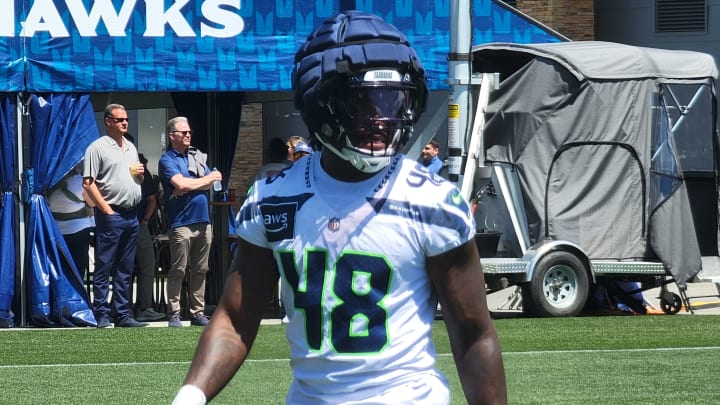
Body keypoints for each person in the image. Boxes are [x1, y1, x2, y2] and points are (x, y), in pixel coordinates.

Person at [173, 10, 506, 405]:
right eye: (365, 102)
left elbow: (473, 332)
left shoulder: (431, 200)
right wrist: (190, 396)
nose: (383, 118)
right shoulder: (273, 198)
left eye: (393, 99)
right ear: (321, 104)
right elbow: (234, 318)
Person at [83, 103, 147, 328]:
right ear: (108, 121)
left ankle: (122, 314)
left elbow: (135, 178)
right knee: (104, 265)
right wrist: (107, 210)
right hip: (112, 213)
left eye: (126, 119)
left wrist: (140, 176)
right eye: (120, 120)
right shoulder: (97, 148)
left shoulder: (129, 146)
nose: (125, 123)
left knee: (125, 267)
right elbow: (88, 184)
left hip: (131, 214)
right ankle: (102, 314)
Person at [158, 116, 221, 328]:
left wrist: (192, 184)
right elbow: (181, 184)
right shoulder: (167, 160)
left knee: (201, 269)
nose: (188, 136)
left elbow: (213, 179)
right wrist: (201, 182)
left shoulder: (197, 157)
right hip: (181, 223)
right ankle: (174, 313)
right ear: (172, 136)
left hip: (203, 221)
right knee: (178, 269)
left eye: (189, 133)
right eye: (183, 133)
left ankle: (197, 312)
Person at [47, 162, 95, 287]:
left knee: (60, 267)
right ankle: (78, 297)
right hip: (79, 230)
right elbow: (92, 203)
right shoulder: (80, 182)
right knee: (78, 268)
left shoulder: (50, 183)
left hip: (57, 232)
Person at [134, 152, 166, 322]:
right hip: (123, 223)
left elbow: (152, 199)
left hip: (138, 225)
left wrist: (145, 220)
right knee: (123, 267)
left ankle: (143, 307)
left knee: (147, 264)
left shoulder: (141, 171)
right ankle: (120, 308)